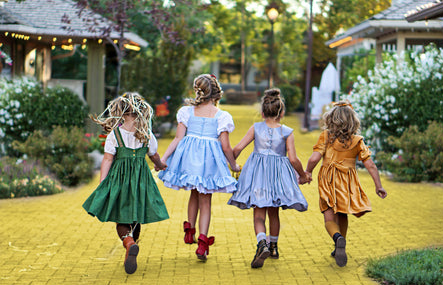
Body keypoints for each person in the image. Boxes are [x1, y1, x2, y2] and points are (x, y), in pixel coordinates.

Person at [83, 92, 169, 274]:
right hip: (140, 181)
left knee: (122, 217)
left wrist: (103, 183)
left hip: (119, 180)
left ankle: (128, 243)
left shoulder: (115, 135)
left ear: (120, 112)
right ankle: (132, 245)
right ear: (141, 112)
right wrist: (160, 165)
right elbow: (154, 155)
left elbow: (107, 159)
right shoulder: (146, 134)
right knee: (136, 215)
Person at [158, 74, 240, 261]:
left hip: (188, 159)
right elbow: (226, 146)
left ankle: (189, 230)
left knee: (194, 193)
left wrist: (164, 158)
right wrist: (233, 164)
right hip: (209, 162)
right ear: (216, 93)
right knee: (205, 200)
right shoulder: (222, 116)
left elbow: (178, 138)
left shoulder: (187, 112)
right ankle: (202, 243)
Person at [228, 88, 309, 269]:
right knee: (274, 213)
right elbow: (294, 159)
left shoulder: (256, 128)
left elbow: (238, 148)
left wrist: (231, 164)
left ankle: (261, 243)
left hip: (256, 177)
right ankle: (273, 247)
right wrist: (303, 175)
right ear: (282, 113)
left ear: (263, 112)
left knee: (258, 214)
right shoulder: (287, 131)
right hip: (277, 179)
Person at [305, 100, 387, 267]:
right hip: (347, 181)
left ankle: (337, 238)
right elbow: (370, 164)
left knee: (329, 216)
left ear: (331, 119)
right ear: (353, 121)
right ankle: (340, 245)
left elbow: (315, 157)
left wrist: (307, 172)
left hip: (328, 180)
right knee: (342, 213)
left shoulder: (326, 136)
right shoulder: (357, 140)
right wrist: (378, 186)